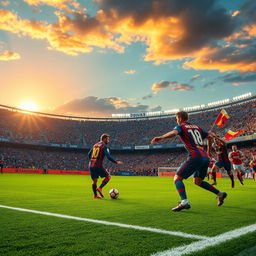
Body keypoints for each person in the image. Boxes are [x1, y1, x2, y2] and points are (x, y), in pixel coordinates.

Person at [151, 111, 227, 212]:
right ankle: (220, 194)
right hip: (205, 157)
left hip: (195, 156)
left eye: (176, 118)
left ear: (180, 118)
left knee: (177, 178)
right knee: (198, 181)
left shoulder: (181, 126)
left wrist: (161, 138)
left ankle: (184, 202)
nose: (176, 120)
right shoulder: (197, 127)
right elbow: (210, 136)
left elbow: (174, 133)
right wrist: (208, 151)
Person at [88, 134, 123, 199]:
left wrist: (91, 161)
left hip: (91, 165)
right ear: (104, 139)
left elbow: (89, 154)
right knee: (108, 176)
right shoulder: (104, 146)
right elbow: (108, 156)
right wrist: (116, 162)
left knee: (94, 181)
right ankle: (100, 188)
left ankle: (95, 195)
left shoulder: (95, 145)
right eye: (107, 139)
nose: (108, 141)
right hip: (97, 165)